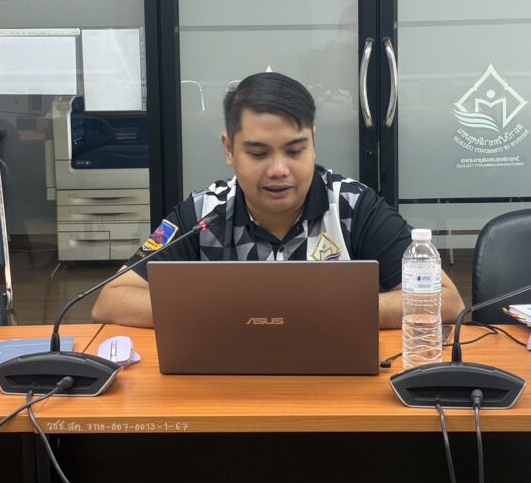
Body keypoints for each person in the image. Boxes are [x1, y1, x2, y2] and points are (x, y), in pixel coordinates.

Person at [91, 72, 465, 328]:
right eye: (258, 153)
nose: (278, 170)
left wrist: (315, 312)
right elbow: (112, 299)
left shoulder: (354, 206)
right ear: (228, 149)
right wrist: (233, 312)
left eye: (295, 150)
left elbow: (446, 300)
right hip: (226, 387)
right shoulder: (202, 213)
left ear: (313, 143)